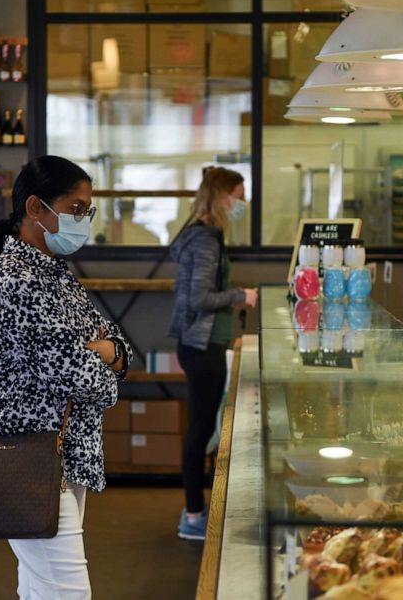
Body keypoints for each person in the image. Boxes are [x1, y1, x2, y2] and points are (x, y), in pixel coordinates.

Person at [0, 155, 131, 599]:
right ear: (36, 208)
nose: (83, 220)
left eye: (87, 210)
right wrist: (105, 367)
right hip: (28, 456)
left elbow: (117, 345)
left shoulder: (54, 273)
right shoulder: (16, 279)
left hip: (64, 457)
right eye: (76, 208)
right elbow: (77, 374)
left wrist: (108, 353)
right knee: (67, 593)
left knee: (43, 590)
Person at [167, 167, 258, 541]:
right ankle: (193, 515)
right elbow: (199, 298)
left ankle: (195, 510)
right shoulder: (205, 240)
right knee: (201, 430)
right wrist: (241, 295)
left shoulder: (202, 234)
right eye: (239, 195)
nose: (241, 203)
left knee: (202, 428)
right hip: (202, 346)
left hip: (203, 344)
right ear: (223, 197)